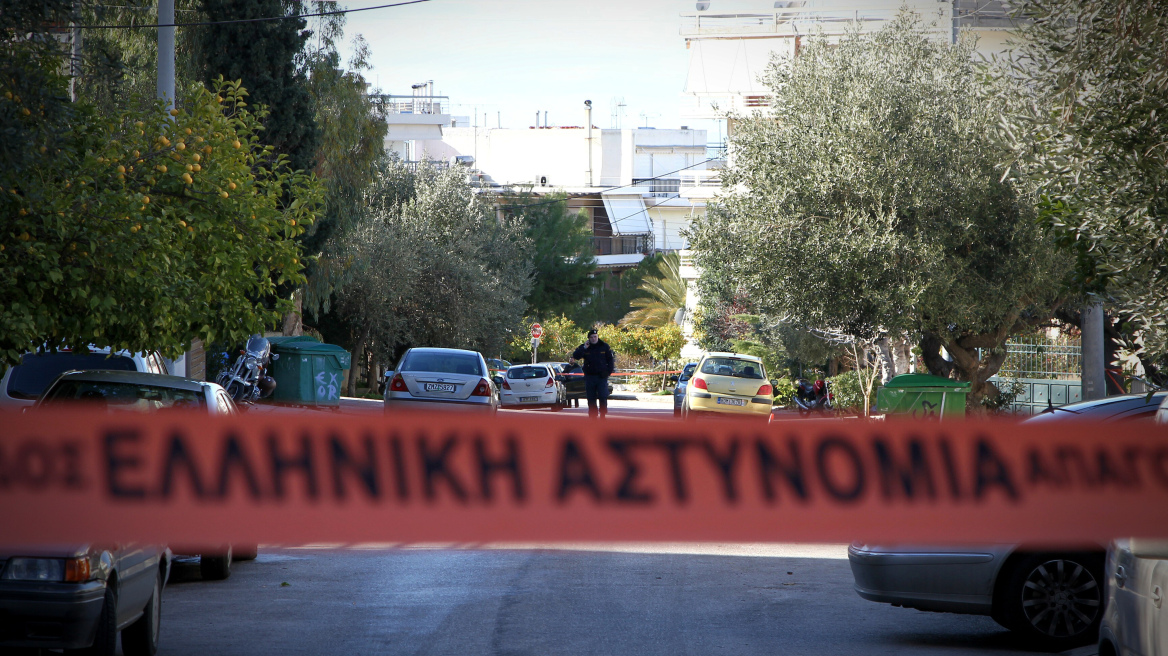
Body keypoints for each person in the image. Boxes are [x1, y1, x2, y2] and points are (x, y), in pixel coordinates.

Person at [570, 328, 615, 418]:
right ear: (589, 338)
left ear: (597, 337)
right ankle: (593, 415)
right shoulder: (585, 347)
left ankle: (603, 413)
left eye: (595, 337)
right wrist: (584, 348)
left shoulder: (604, 346)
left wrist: (609, 371)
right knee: (591, 397)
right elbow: (576, 356)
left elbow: (610, 360)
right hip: (590, 376)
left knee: (603, 396)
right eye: (592, 337)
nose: (594, 338)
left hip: (602, 376)